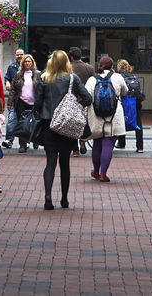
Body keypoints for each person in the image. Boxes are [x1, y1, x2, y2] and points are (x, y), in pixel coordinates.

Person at [33, 49, 92, 210]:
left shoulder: (45, 78)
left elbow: (37, 103)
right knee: (65, 163)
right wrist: (75, 106)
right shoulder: (73, 78)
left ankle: (48, 196)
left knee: (50, 162)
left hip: (49, 125)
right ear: (67, 62)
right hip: (67, 125)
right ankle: (64, 199)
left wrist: (40, 111)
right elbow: (88, 98)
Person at [85, 55, 128, 182]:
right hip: (114, 115)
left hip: (96, 114)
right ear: (112, 66)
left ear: (99, 65)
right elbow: (125, 92)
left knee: (97, 143)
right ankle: (103, 174)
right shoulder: (118, 77)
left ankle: (96, 172)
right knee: (108, 143)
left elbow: (87, 96)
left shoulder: (92, 79)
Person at [69, 46, 94, 154]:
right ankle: (83, 139)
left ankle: (75, 149)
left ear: (71, 57)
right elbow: (94, 82)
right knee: (84, 121)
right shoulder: (89, 68)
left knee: (72, 124)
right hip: (85, 99)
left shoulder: (67, 68)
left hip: (72, 99)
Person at [11, 53, 39, 152]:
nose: (27, 63)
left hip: (34, 102)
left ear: (32, 63)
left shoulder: (38, 74)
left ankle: (35, 140)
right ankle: (22, 145)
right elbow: (13, 89)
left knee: (35, 122)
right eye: (25, 61)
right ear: (22, 63)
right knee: (22, 123)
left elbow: (41, 88)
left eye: (29, 61)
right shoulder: (18, 74)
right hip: (21, 101)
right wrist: (10, 102)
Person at [115, 58, 144, 152]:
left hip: (124, 103)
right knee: (138, 123)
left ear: (119, 67)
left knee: (121, 121)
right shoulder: (134, 77)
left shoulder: (118, 77)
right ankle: (140, 147)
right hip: (135, 103)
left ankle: (121, 143)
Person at [3, 47, 25, 147]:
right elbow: (7, 77)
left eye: (21, 54)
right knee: (11, 119)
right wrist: (7, 83)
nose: (19, 56)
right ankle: (9, 140)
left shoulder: (30, 66)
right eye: (17, 54)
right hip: (15, 98)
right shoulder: (12, 67)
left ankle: (28, 141)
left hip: (27, 100)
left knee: (25, 121)